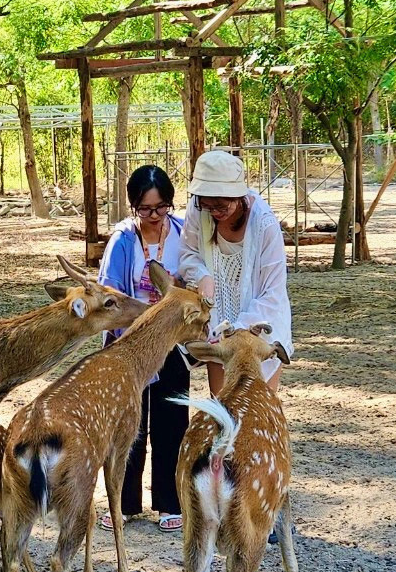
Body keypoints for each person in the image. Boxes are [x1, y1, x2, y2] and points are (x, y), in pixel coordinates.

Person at [96, 165, 189, 533]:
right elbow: (111, 296)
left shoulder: (183, 233)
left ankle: (170, 501)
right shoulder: (123, 240)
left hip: (172, 346)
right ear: (133, 206)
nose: (153, 216)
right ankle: (124, 503)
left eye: (161, 207)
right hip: (130, 347)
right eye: (145, 209)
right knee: (128, 426)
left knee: (172, 422)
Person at [178, 149, 292, 394]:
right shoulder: (199, 209)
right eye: (207, 205)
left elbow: (273, 294)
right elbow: (187, 254)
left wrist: (237, 330)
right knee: (224, 412)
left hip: (257, 332)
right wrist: (202, 276)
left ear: (239, 196)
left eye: (221, 205)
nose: (214, 212)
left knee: (258, 414)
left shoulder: (265, 225)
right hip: (219, 329)